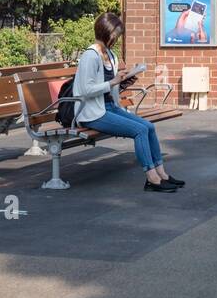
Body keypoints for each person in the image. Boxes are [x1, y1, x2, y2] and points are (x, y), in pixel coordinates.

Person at [75, 12, 185, 193]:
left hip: (109, 107)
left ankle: (162, 174)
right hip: (92, 113)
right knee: (139, 130)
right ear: (105, 32)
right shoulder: (90, 56)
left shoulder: (110, 55)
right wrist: (112, 82)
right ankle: (152, 179)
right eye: (115, 35)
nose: (116, 39)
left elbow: (110, 87)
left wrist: (124, 82)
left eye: (118, 35)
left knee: (149, 126)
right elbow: (86, 90)